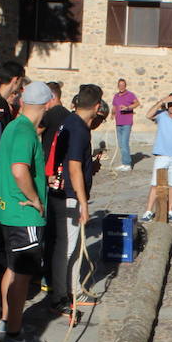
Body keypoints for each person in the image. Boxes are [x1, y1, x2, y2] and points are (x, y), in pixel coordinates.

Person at [0, 81, 52, 342]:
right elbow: (19, 170)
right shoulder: (26, 131)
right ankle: (14, 333)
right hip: (23, 213)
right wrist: (35, 199)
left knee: (12, 269)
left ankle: (7, 321)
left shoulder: (13, 126)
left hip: (7, 210)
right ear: (47, 104)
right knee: (22, 275)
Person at [44, 84, 104, 310]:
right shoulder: (78, 129)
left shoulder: (68, 121)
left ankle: (70, 289)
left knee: (70, 244)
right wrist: (83, 202)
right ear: (97, 106)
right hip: (70, 194)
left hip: (61, 190)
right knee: (69, 247)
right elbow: (74, 167)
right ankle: (66, 294)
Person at [142, 93, 172, 223]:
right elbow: (148, 115)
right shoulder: (161, 115)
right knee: (155, 184)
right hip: (162, 155)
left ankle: (169, 211)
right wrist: (161, 101)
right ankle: (148, 211)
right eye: (170, 104)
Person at [112, 78, 139, 170]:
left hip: (127, 122)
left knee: (124, 143)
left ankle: (127, 164)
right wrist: (112, 114)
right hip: (118, 122)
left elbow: (137, 104)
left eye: (123, 85)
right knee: (120, 144)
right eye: (120, 85)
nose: (121, 87)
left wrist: (127, 108)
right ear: (118, 86)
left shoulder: (130, 95)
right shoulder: (116, 96)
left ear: (125, 86)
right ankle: (124, 163)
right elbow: (114, 106)